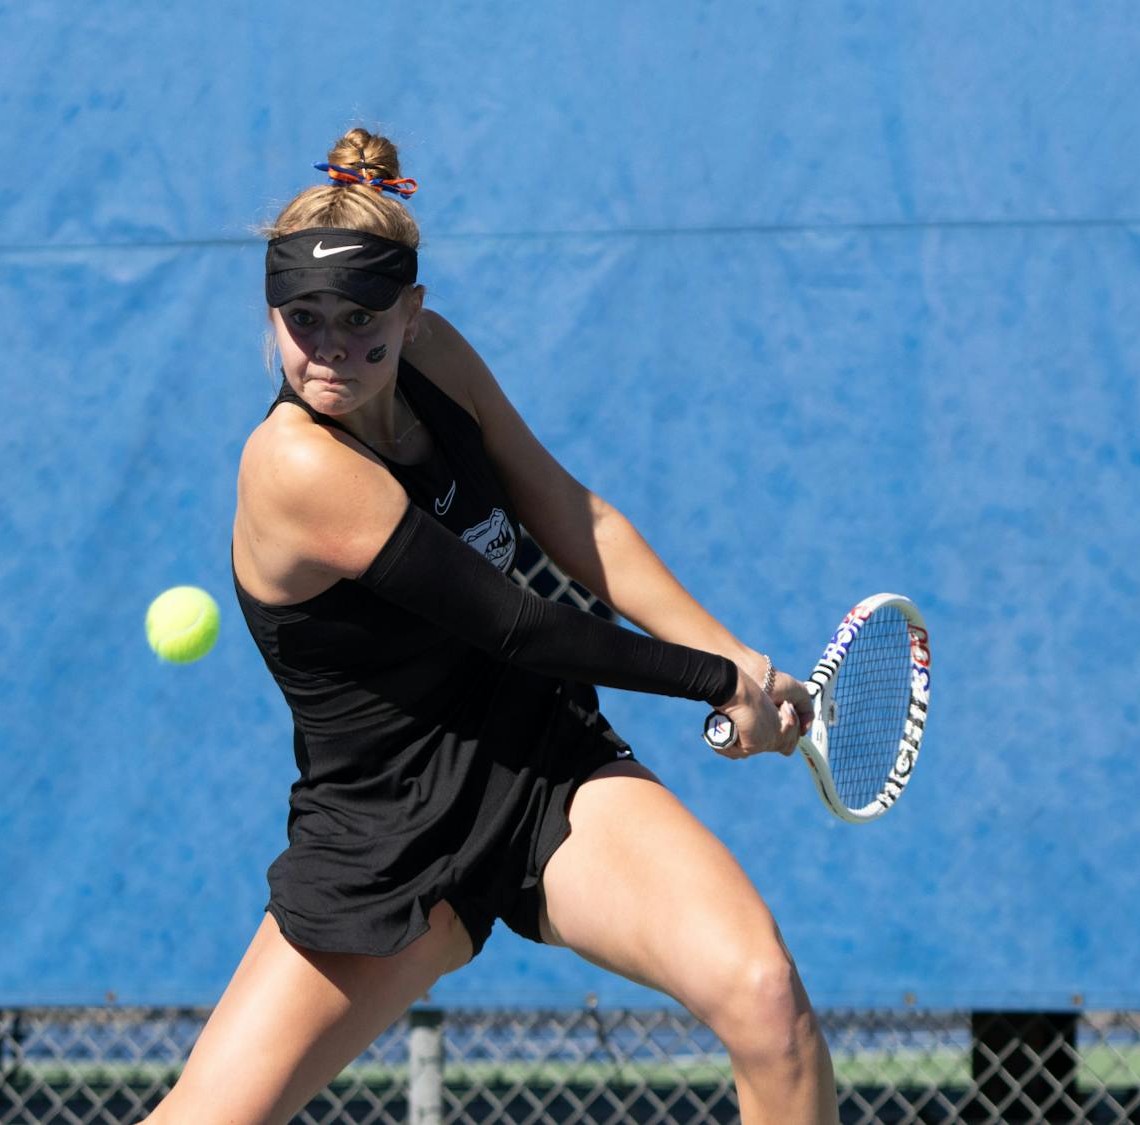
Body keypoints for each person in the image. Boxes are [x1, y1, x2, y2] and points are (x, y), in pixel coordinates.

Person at [145, 128, 839, 1125]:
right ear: (271, 316)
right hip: (385, 835)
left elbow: (574, 514)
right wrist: (714, 684)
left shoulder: (441, 360)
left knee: (768, 1002)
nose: (332, 346)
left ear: (413, 314)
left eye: (362, 319)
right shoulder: (293, 468)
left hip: (546, 766)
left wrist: (730, 650)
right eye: (303, 319)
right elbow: (518, 625)